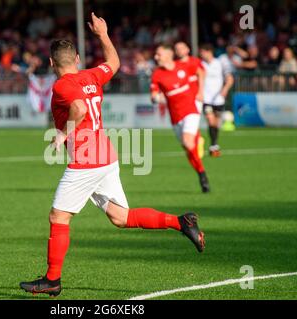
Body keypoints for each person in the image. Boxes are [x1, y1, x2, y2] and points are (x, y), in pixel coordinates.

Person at [19, 13, 205, 297]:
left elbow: (79, 109)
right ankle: (181, 222)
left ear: (51, 63)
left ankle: (52, 280)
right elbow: (115, 63)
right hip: (106, 156)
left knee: (58, 216)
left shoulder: (61, 85)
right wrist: (103, 34)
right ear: (78, 59)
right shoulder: (91, 75)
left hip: (86, 161)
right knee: (121, 217)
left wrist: (62, 133)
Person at [151, 43, 210, 193]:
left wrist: (201, 91)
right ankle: (201, 172)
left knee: (187, 142)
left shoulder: (184, 66)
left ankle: (202, 174)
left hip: (191, 109)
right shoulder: (157, 73)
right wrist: (155, 98)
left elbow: (201, 73)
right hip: (175, 117)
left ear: (169, 54)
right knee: (188, 148)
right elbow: (154, 94)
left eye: (159, 54)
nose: (156, 57)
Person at [199, 43, 234, 157]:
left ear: (209, 52)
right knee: (210, 119)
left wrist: (225, 89)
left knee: (216, 123)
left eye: (203, 52)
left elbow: (229, 79)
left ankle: (214, 144)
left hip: (219, 99)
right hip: (206, 99)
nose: (201, 55)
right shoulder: (201, 65)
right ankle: (214, 145)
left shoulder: (220, 63)